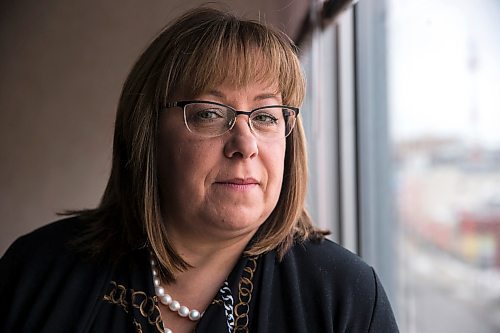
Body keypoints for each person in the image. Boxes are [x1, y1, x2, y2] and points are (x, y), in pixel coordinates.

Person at [0, 6, 399, 333]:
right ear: (148, 133)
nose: (245, 145)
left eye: (265, 117)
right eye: (210, 113)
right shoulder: (35, 272)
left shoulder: (346, 297)